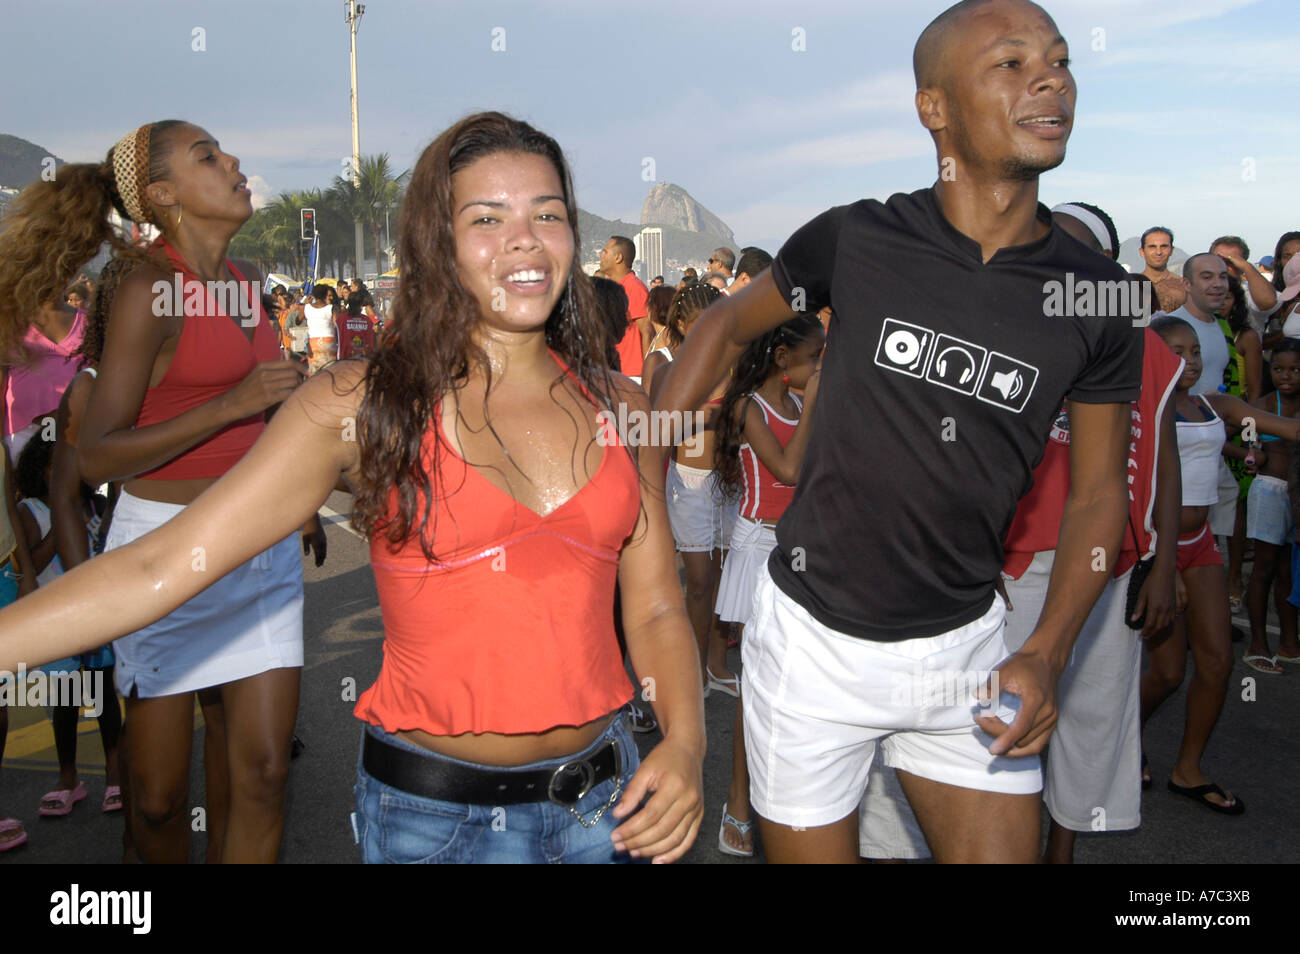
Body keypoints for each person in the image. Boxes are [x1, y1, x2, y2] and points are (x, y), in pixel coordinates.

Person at [0, 112, 705, 864]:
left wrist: (688, 745)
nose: (524, 238)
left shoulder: (624, 412)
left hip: (610, 810)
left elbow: (659, 603)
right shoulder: (359, 407)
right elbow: (155, 567)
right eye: (487, 218)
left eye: (548, 214)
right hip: (432, 824)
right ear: (438, 244)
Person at [655, 0, 1145, 863]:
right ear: (935, 107)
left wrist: (1046, 650)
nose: (1052, 78)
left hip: (968, 650)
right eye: (1011, 61)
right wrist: (641, 482)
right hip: (812, 645)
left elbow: (1103, 492)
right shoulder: (860, 238)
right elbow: (729, 325)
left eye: (1062, 60)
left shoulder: (1097, 294)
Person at [0, 120, 326, 864]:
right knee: (156, 800)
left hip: (257, 546)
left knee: (267, 774)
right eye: (207, 156)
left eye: (225, 150)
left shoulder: (245, 283)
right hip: (161, 556)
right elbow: (96, 454)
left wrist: (300, 490)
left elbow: (271, 409)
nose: (235, 161)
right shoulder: (151, 288)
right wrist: (231, 405)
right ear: (162, 195)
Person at [1142, 315, 1300, 814]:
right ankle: (1119, 743)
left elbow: (1288, 428)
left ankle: (1188, 770)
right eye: (1175, 350)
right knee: (1167, 674)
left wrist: (1245, 444)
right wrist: (1158, 566)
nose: (1189, 360)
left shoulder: (1215, 406)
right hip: (1151, 549)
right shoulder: (1136, 410)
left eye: (1194, 351)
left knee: (1217, 662)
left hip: (1200, 544)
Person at [711, 315, 824, 856]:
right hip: (759, 552)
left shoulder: (801, 405)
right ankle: (737, 801)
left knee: (797, 683)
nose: (819, 368)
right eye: (813, 359)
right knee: (756, 686)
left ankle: (788, 795)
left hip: (798, 549)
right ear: (783, 361)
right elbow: (787, 470)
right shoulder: (748, 407)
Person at [12, 431, 122, 817]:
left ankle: (115, 774)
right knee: (65, 700)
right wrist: (62, 523)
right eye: (53, 468)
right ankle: (68, 777)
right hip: (56, 620)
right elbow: (34, 564)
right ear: (38, 472)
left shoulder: (97, 504)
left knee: (104, 694)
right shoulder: (29, 511)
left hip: (95, 613)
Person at [1241, 340, 1300, 672]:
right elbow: (1239, 441)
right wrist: (1253, 457)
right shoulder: (1263, 405)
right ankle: (1258, 643)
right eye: (1278, 369)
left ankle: (1290, 642)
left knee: (1289, 570)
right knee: (1264, 568)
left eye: (1294, 369)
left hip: (1298, 497)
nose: (1286, 376)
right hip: (1271, 492)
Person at [599, 236, 651, 382]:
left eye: (605, 252)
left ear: (618, 258)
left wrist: (647, 375)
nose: (601, 255)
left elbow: (647, 331)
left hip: (632, 375)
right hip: (614, 372)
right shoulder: (614, 288)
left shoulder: (634, 287)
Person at [1210, 235, 1278, 337]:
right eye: (1218, 261)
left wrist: (1247, 267)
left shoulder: (1249, 293)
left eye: (1231, 262)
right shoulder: (1197, 290)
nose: (1223, 267)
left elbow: (1267, 302)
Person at [1139, 227, 1185, 313]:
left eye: (1164, 247)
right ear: (1142, 252)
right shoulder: (1131, 286)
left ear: (1171, 250)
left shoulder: (1184, 287)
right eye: (1152, 247)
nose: (1158, 252)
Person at [303, 285, 338, 375]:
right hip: (328, 341)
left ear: (313, 295)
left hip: (313, 343)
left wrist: (305, 303)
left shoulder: (306, 307)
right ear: (325, 294)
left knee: (314, 372)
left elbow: (298, 320)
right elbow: (336, 325)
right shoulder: (331, 308)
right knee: (330, 371)